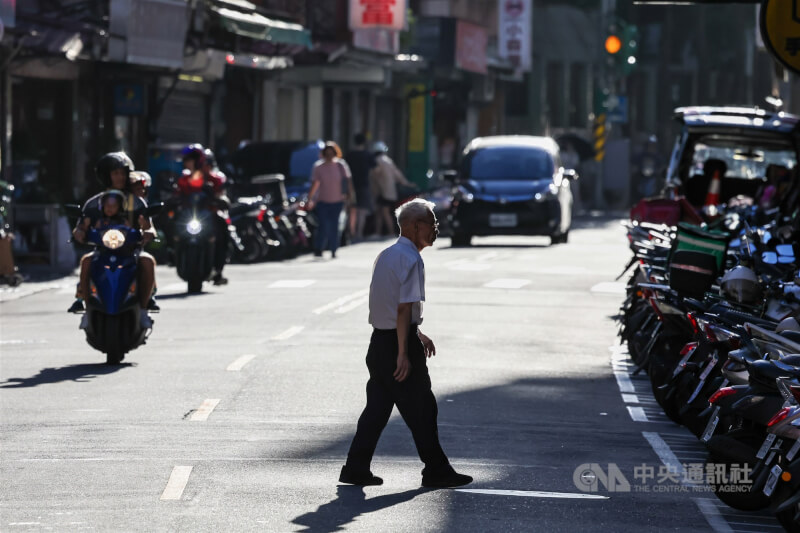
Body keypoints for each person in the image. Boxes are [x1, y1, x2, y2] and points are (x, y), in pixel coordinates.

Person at [339, 198, 472, 488]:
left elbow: (389, 305)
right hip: (396, 346)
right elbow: (402, 307)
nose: (435, 229)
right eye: (432, 223)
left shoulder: (387, 254)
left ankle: (355, 467)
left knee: (376, 410)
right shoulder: (412, 259)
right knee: (423, 408)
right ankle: (436, 469)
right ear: (415, 226)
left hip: (379, 343)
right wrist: (403, 351)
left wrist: (417, 332)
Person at [69, 152, 157, 328]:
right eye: (115, 173)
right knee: (86, 261)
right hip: (102, 251)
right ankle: (87, 310)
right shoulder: (94, 203)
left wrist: (148, 232)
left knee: (147, 261)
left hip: (131, 252)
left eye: (123, 173)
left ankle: (143, 310)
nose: (120, 177)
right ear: (106, 175)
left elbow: (148, 225)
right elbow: (81, 225)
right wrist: (79, 232)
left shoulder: (137, 202)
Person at [177, 144, 229, 285]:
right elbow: (177, 195)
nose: (187, 162)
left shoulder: (214, 179)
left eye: (190, 159)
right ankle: (171, 252)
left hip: (209, 216)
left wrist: (219, 200)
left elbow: (221, 195)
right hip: (189, 216)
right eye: (186, 159)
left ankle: (218, 268)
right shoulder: (183, 179)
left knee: (223, 228)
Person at [306, 141, 355, 258]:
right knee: (323, 225)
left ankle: (333, 249)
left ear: (335, 153)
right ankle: (319, 248)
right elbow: (314, 184)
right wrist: (310, 199)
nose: (329, 156)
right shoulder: (318, 166)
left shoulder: (340, 165)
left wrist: (350, 195)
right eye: (327, 153)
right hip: (322, 201)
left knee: (334, 226)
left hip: (337, 201)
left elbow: (348, 181)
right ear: (323, 154)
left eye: (331, 153)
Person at [369, 142, 416, 238]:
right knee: (382, 213)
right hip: (389, 191)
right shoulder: (388, 161)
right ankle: (379, 232)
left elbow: (375, 175)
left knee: (384, 213)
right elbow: (397, 174)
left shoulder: (376, 161)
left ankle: (389, 232)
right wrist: (406, 183)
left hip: (382, 191)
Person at [344, 133, 376, 242]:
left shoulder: (349, 155)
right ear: (364, 142)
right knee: (362, 211)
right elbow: (375, 170)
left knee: (351, 210)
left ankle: (350, 233)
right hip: (364, 185)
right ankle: (359, 234)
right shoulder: (368, 155)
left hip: (350, 185)